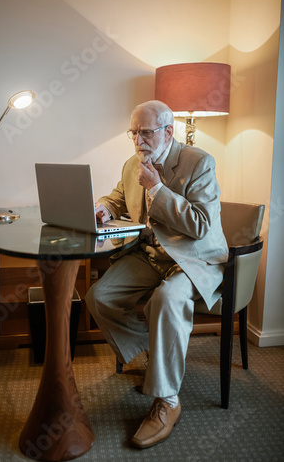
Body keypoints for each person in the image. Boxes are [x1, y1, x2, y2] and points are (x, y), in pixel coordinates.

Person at [85, 100, 228, 449]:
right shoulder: (132, 164)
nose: (138, 141)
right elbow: (118, 198)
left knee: (166, 299)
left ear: (168, 131)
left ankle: (167, 401)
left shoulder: (199, 162)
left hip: (193, 259)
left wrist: (157, 190)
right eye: (133, 133)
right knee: (98, 297)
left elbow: (201, 225)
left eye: (145, 132)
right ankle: (157, 353)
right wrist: (103, 207)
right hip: (149, 256)